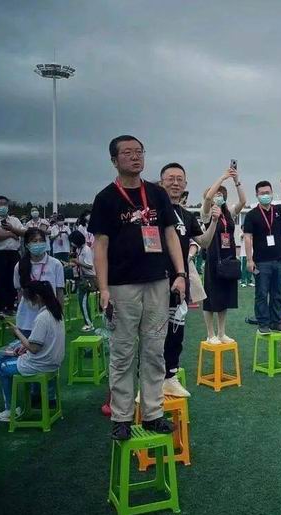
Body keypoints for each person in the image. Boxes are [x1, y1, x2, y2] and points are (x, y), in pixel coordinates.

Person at [88, 134, 186, 441]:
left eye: (139, 152)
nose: (135, 157)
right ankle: (122, 416)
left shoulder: (156, 194)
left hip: (157, 281)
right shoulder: (106, 198)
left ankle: (153, 412)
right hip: (121, 285)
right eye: (128, 153)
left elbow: (170, 234)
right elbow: (100, 246)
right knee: (123, 351)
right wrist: (104, 288)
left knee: (155, 349)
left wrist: (180, 273)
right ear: (114, 160)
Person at [159, 163, 217, 396]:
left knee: (176, 331)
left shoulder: (186, 215)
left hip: (180, 281)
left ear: (185, 184)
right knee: (154, 333)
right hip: (155, 280)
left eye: (179, 179)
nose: (175, 183)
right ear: (161, 182)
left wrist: (214, 221)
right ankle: (149, 382)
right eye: (170, 178)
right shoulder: (153, 210)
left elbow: (204, 241)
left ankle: (170, 376)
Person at [0, 281, 65, 422]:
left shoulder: (42, 317)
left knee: (3, 367)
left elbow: (34, 348)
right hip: (52, 361)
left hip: (40, 364)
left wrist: (17, 332)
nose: (29, 302)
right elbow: (39, 341)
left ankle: (10, 409)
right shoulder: (56, 313)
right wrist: (24, 346)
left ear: (37, 297)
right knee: (3, 356)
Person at [243, 178, 281, 334]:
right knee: (261, 293)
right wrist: (249, 259)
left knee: (278, 293)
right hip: (261, 261)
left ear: (272, 193)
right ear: (257, 195)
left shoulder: (278, 209)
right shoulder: (252, 215)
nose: (265, 195)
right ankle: (263, 323)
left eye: (267, 192)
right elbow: (247, 237)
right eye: (262, 193)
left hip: (279, 260)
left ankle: (275, 322)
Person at [200, 168, 246, 344]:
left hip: (229, 259)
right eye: (216, 193)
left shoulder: (229, 213)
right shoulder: (207, 212)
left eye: (221, 194)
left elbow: (243, 201)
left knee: (225, 297)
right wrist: (222, 177)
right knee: (211, 296)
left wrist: (236, 180)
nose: (218, 196)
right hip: (214, 258)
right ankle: (210, 333)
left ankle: (221, 333)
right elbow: (207, 198)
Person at [14, 228, 65, 337]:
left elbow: (59, 292)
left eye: (41, 240)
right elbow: (20, 293)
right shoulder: (20, 266)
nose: (38, 243)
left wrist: (60, 316)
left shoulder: (56, 264)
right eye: (34, 241)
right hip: (26, 321)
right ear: (27, 245)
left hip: (49, 317)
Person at [0, 196, 26, 315]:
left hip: (13, 253)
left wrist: (12, 229)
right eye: (0, 204)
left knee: (13, 280)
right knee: (0, 280)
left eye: (5, 204)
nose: (3, 207)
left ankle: (10, 307)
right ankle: (0, 308)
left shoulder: (14, 220)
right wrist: (11, 234)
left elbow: (24, 232)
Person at [68, 230, 96, 332]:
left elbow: (89, 265)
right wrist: (71, 264)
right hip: (82, 277)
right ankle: (88, 322)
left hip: (88, 277)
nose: (72, 244)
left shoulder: (86, 250)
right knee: (82, 300)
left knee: (83, 301)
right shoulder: (79, 249)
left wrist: (77, 262)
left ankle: (89, 324)